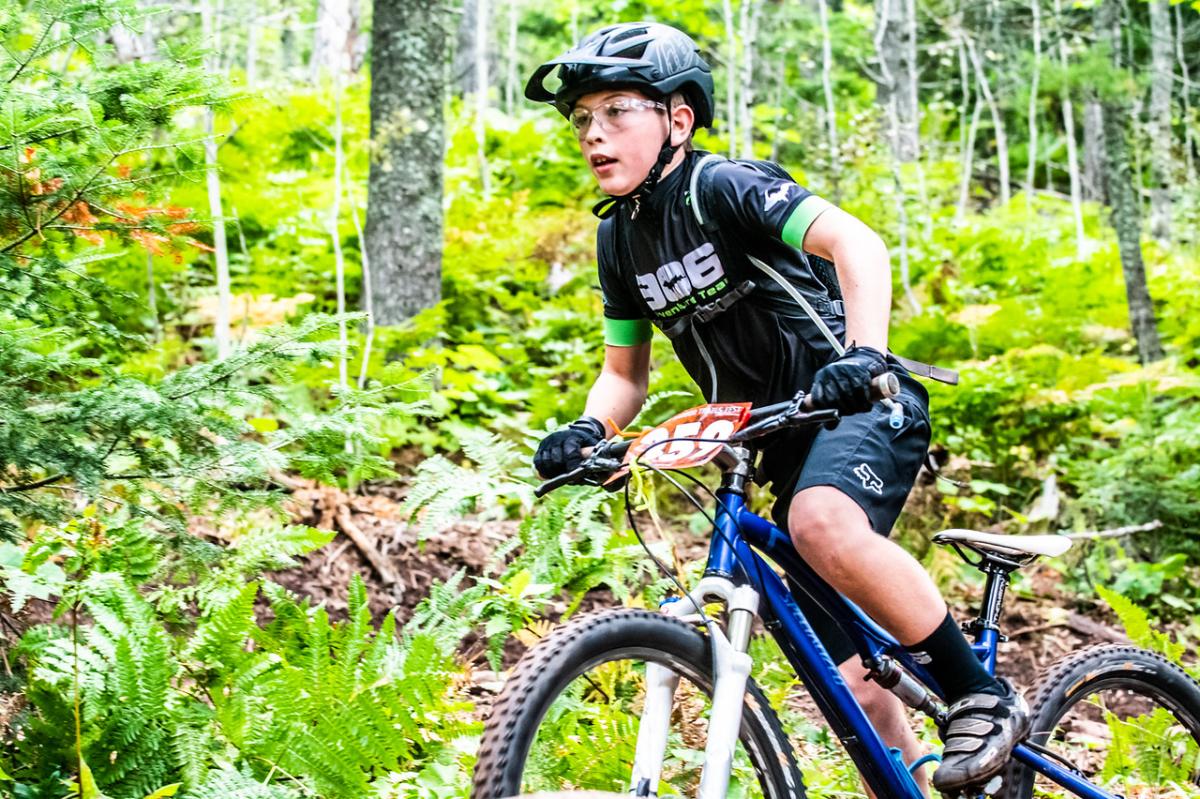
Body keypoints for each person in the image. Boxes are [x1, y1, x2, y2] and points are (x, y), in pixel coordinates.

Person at [525, 21, 1029, 795]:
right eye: (582, 119)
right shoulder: (619, 242)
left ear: (678, 120)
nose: (594, 133)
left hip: (861, 402)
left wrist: (864, 354)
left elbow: (857, 244)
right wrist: (592, 429)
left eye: (617, 110)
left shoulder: (721, 185)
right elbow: (623, 374)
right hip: (776, 437)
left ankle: (979, 694)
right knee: (860, 683)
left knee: (820, 523)